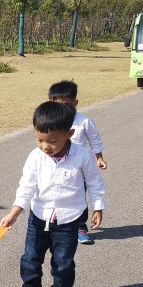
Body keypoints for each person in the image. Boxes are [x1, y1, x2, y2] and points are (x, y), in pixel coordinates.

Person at [0, 101, 106, 287]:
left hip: (68, 219)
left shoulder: (82, 156)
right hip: (39, 217)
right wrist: (14, 212)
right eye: (39, 139)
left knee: (63, 261)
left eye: (52, 140)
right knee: (30, 257)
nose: (45, 146)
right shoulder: (35, 156)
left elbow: (95, 182)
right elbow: (26, 186)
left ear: (69, 133)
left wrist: (98, 207)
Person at [48, 80, 107, 245]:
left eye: (66, 104)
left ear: (75, 103)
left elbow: (94, 140)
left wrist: (99, 157)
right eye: (56, 104)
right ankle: (56, 223)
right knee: (57, 193)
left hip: (80, 167)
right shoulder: (52, 121)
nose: (61, 109)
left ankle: (80, 227)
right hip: (57, 166)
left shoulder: (84, 121)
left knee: (79, 197)